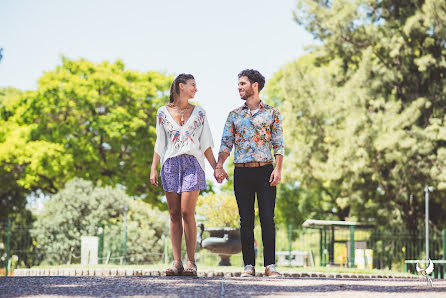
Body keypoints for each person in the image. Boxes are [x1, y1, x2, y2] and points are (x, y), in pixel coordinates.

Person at [150, 73, 226, 276]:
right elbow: (160, 142)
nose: (196, 89)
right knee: (174, 214)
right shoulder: (162, 112)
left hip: (193, 164)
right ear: (181, 86)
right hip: (170, 164)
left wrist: (216, 167)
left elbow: (207, 143)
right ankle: (177, 262)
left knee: (186, 212)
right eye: (193, 85)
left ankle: (191, 262)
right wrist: (153, 167)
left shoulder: (200, 113)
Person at [214, 69, 284, 278]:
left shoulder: (273, 113)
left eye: (242, 84)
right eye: (238, 84)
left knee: (267, 219)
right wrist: (219, 165)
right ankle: (248, 266)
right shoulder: (234, 115)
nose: (239, 88)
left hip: (266, 171)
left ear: (255, 85)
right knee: (245, 220)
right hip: (242, 173)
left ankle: (270, 265)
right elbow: (226, 144)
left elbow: (278, 144)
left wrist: (278, 169)